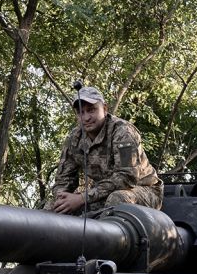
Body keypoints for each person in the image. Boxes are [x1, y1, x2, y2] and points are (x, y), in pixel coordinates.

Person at [49, 85, 162, 215]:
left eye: (91, 110)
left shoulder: (123, 132)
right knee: (53, 206)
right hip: (103, 193)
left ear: (104, 108)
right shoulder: (74, 138)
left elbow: (127, 178)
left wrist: (82, 198)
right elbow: (63, 180)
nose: (86, 118)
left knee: (117, 199)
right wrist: (61, 197)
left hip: (143, 191)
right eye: (81, 112)